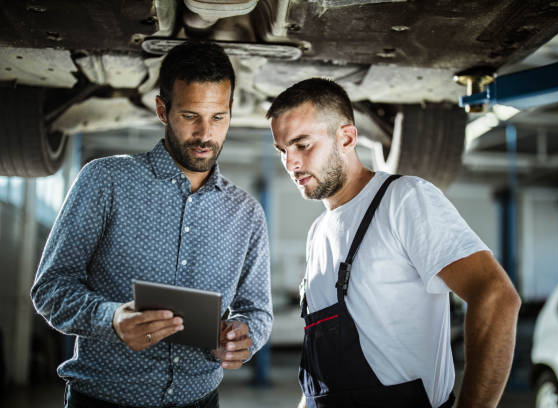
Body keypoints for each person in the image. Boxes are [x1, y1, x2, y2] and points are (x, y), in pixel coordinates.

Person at [31, 41, 273, 408]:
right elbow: (50, 288)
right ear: (163, 110)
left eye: (218, 117)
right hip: (102, 400)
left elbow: (256, 310)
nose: (206, 134)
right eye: (191, 115)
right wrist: (111, 319)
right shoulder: (106, 181)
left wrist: (245, 336)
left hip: (201, 401)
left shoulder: (246, 212)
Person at [267, 78, 521, 408]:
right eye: (283, 150)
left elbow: (497, 297)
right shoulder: (318, 232)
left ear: (346, 137)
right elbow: (323, 365)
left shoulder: (403, 199)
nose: (291, 164)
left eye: (302, 145)